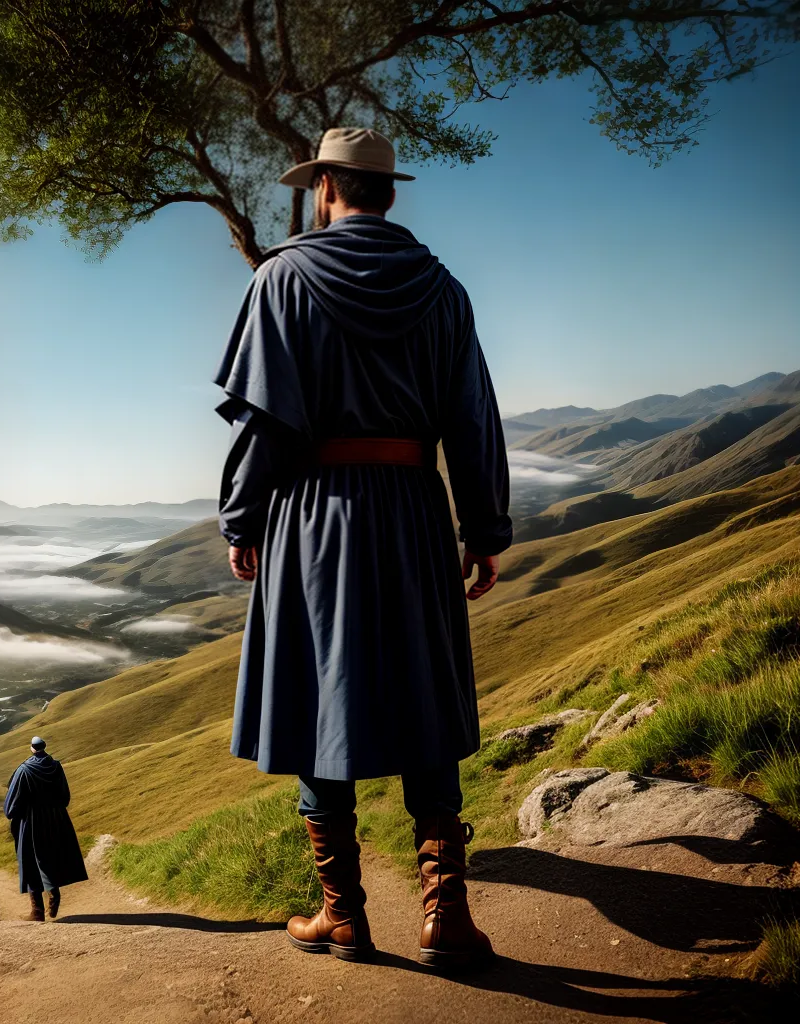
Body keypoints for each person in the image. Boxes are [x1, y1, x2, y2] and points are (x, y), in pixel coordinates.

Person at [214, 127, 511, 969]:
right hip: (416, 513)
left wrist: (242, 518)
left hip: (314, 519)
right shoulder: (445, 292)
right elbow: (472, 421)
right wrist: (484, 527)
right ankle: (445, 915)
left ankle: (341, 913)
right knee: (422, 691)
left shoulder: (279, 281)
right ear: (387, 192)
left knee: (318, 701)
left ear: (327, 188)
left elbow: (265, 423)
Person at [4, 735, 88, 921]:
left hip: (31, 821)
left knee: (29, 861)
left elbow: (11, 805)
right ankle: (53, 890)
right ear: (44, 747)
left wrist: (12, 814)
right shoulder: (56, 766)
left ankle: (37, 911)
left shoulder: (24, 770)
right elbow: (65, 797)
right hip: (56, 819)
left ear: (32, 748)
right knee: (50, 857)